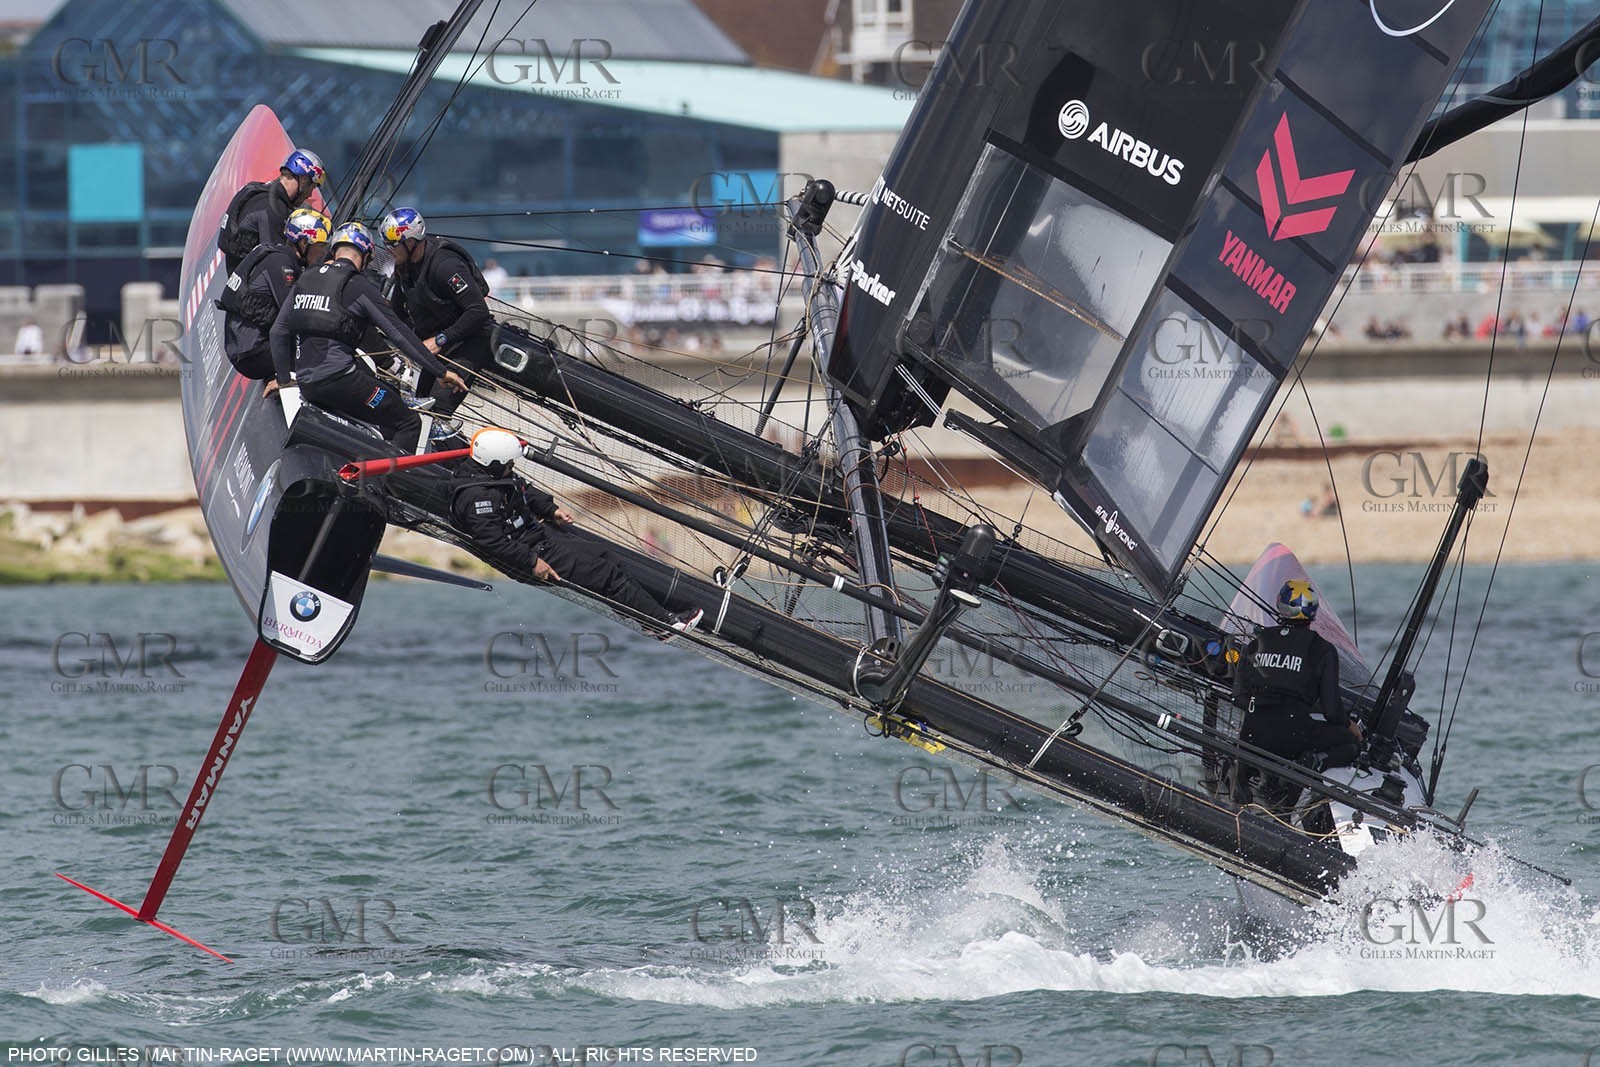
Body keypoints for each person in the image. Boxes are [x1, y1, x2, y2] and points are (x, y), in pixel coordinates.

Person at [450, 428, 703, 639]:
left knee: (606, 556)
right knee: (607, 576)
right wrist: (532, 562)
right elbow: (491, 542)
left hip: (540, 538)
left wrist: (551, 509)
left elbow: (523, 489)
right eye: (509, 464)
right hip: (533, 555)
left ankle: (652, 617)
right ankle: (663, 625)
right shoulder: (478, 497)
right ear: (494, 464)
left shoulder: (494, 475)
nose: (511, 467)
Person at [269, 222, 467, 447]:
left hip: (307, 384)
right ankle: (394, 481)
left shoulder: (306, 278)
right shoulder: (357, 285)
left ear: (335, 249)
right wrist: (440, 371)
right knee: (409, 422)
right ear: (365, 256)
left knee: (386, 400)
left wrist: (284, 380)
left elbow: (278, 332)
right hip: (341, 381)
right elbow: (399, 335)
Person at [1230, 579, 1362, 804]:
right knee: (1351, 744)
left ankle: (1242, 786)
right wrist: (1351, 727)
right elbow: (1332, 711)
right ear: (1313, 612)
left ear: (1280, 605)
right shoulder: (1323, 649)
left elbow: (1239, 697)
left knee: (1260, 733)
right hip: (1294, 737)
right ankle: (1312, 765)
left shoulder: (1254, 643)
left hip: (1251, 737)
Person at [379, 206, 493, 418]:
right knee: (418, 408)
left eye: (392, 245)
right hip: (437, 346)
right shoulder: (404, 266)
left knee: (438, 411)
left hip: (467, 343)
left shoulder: (445, 265)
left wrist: (440, 340)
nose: (387, 251)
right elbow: (396, 311)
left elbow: (478, 311)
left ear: (410, 242)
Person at [216, 207, 331, 382]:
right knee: (330, 354)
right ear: (303, 244)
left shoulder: (275, 253)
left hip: (241, 347)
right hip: (253, 353)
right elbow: (296, 316)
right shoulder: (282, 265)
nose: (323, 252)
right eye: (321, 246)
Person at [218, 148, 326, 272]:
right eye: (311, 187)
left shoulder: (257, 191)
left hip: (237, 277)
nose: (310, 195)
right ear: (303, 180)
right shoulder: (274, 210)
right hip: (253, 286)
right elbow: (276, 264)